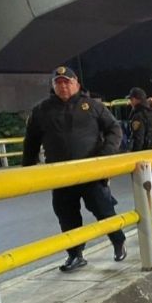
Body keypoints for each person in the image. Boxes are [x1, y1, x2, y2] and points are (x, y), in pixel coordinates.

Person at [22, 66, 126, 272]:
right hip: (60, 176)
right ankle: (75, 255)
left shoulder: (92, 106)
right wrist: (27, 169)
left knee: (103, 209)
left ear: (76, 83)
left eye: (67, 82)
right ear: (53, 86)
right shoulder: (42, 110)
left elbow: (114, 129)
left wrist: (105, 157)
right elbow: (31, 141)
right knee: (66, 216)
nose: (63, 86)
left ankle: (118, 242)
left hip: (91, 172)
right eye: (58, 83)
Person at [127, 88, 152, 228]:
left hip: (142, 158)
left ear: (135, 99)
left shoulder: (138, 115)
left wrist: (133, 157)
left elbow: (137, 139)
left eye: (131, 99)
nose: (130, 102)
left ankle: (149, 220)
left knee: (144, 191)